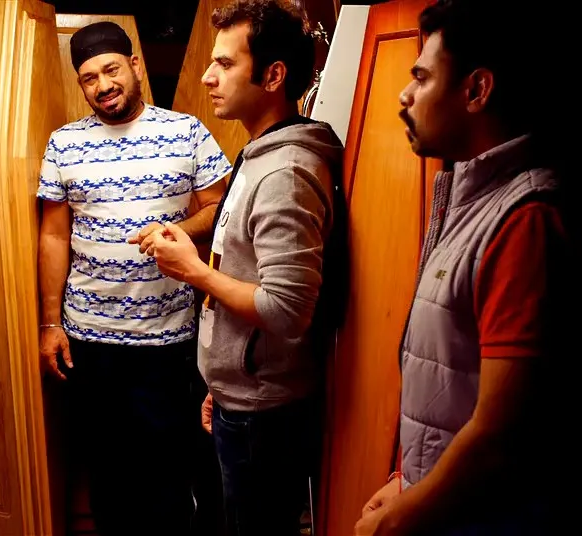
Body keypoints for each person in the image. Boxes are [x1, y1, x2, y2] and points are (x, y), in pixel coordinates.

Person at [353, 1, 571, 534]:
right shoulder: (473, 198)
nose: (404, 96)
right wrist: (408, 478)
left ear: (476, 90)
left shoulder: (525, 219)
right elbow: (449, 388)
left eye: (422, 77)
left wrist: (406, 514)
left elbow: (498, 433)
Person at [145, 1, 344, 534]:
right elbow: (250, 271)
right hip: (245, 400)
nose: (208, 77)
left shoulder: (286, 173)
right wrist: (223, 381)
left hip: (267, 417)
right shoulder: (260, 155)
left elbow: (286, 311)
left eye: (226, 63)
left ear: (273, 76)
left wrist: (193, 270)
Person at [35, 21, 232, 536]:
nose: (103, 85)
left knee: (170, 475)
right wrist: (50, 323)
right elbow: (53, 235)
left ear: (135, 66)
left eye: (111, 70)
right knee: (107, 478)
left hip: (169, 340)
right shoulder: (64, 143)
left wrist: (177, 230)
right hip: (90, 341)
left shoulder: (186, 131)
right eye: (89, 78)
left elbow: (220, 209)